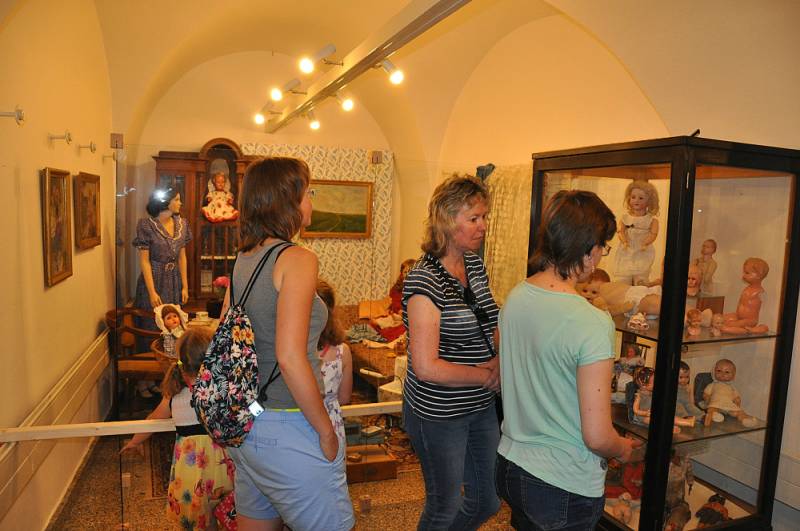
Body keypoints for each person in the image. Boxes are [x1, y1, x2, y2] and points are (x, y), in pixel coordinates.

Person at [221, 157, 354, 531]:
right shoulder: (297, 258)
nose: (311, 200)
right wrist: (326, 431)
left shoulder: (244, 258)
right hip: (288, 424)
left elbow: (227, 336)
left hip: (247, 422)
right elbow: (291, 356)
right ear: (288, 200)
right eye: (308, 192)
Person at [496, 189, 639, 530]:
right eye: (602, 246)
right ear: (587, 250)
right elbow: (597, 436)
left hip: (512, 464)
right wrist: (622, 448)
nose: (601, 255)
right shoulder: (592, 322)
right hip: (562, 480)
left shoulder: (516, 297)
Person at [402, 174, 501, 530]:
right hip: (439, 412)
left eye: (484, 217)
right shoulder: (423, 279)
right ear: (446, 220)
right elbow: (426, 367)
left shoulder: (474, 264)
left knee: (487, 500)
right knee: (445, 506)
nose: (483, 226)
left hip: (480, 405)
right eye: (474, 218)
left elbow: (490, 321)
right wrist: (487, 375)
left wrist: (500, 361)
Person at [121, 327, 235, 530]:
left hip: (191, 469)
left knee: (200, 519)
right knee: (228, 512)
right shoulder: (223, 388)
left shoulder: (175, 394)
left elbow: (153, 419)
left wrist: (135, 440)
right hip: (223, 465)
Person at [133, 187, 191, 397]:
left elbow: (182, 257)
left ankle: (165, 379)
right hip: (154, 279)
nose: (180, 203)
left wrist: (185, 285)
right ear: (166, 202)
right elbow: (144, 261)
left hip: (173, 280)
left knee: (172, 328)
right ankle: (144, 381)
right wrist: (151, 291)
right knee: (150, 325)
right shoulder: (146, 225)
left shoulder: (182, 224)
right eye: (177, 199)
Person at [316, 279, 353, 441]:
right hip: (331, 425)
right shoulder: (342, 352)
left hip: (299, 425)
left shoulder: (290, 351)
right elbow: (344, 398)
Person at [614, 179, 659, 285]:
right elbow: (620, 231)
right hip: (627, 248)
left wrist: (646, 243)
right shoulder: (625, 218)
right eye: (633, 197)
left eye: (641, 198)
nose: (636, 200)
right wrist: (624, 241)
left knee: (641, 275)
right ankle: (624, 287)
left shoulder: (651, 220)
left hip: (642, 249)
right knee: (624, 275)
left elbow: (653, 234)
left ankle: (640, 287)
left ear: (649, 201)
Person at [721, 257, 769, 335]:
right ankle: (732, 328)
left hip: (749, 320)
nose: (743, 275)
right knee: (721, 318)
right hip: (738, 316)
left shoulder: (760, 291)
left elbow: (764, 301)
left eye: (747, 273)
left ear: (758, 275)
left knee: (729, 325)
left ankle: (748, 330)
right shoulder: (747, 288)